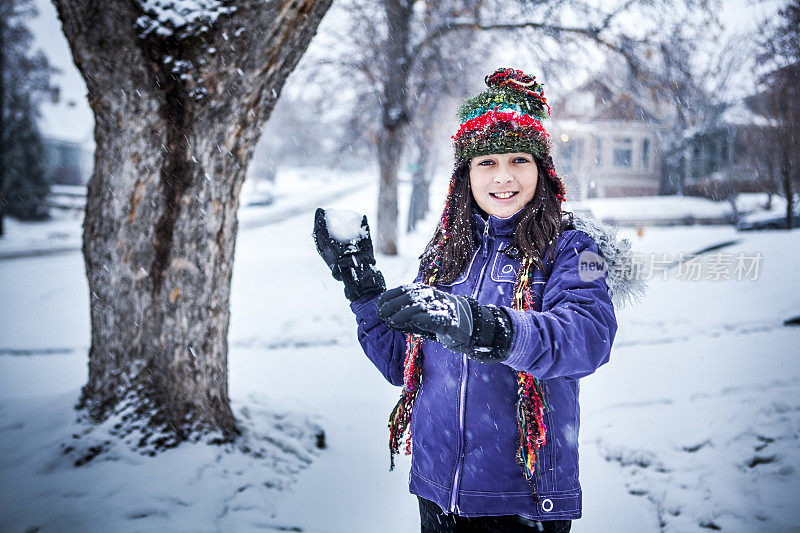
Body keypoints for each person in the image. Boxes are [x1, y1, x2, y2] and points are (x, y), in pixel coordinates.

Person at [313, 68, 644, 532]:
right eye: (486, 163)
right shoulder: (446, 253)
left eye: (518, 160)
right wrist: (364, 289)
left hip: (521, 504)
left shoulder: (575, 249)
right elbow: (402, 366)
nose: (503, 177)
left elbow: (587, 338)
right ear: (465, 175)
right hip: (438, 495)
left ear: (542, 169)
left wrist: (484, 326)